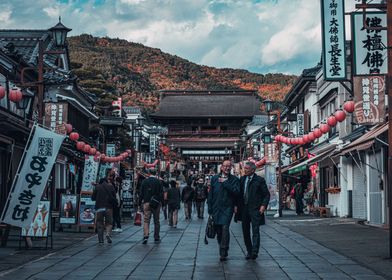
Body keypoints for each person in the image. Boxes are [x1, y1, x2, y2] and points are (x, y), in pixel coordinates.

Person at [235, 161, 270, 260]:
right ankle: (249, 251)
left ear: (253, 170)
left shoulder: (259, 180)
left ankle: (255, 251)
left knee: (255, 231)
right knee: (245, 231)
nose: (244, 170)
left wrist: (263, 205)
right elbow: (238, 194)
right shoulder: (242, 179)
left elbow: (266, 194)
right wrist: (236, 205)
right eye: (244, 168)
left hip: (255, 209)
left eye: (246, 168)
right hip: (244, 209)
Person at [207, 160, 240, 261]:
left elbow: (236, 192)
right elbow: (211, 193)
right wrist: (209, 207)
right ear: (221, 167)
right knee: (218, 230)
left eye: (229, 166)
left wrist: (226, 183)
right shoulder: (214, 178)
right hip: (216, 208)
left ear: (231, 168)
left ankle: (223, 251)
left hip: (227, 208)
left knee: (225, 228)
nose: (227, 168)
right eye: (225, 166)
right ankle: (221, 246)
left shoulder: (234, 179)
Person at [92, 170, 117, 244]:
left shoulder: (97, 187)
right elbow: (114, 198)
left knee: (99, 223)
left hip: (99, 207)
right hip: (108, 207)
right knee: (109, 223)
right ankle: (108, 234)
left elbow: (93, 197)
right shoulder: (111, 187)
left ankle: (100, 240)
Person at [140, 169, 164, 244]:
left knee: (146, 220)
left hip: (146, 202)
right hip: (156, 203)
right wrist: (162, 203)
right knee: (156, 221)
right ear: (156, 173)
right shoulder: (158, 182)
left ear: (149, 173)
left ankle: (146, 236)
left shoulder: (145, 181)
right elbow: (161, 193)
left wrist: (139, 202)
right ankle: (156, 237)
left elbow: (141, 193)